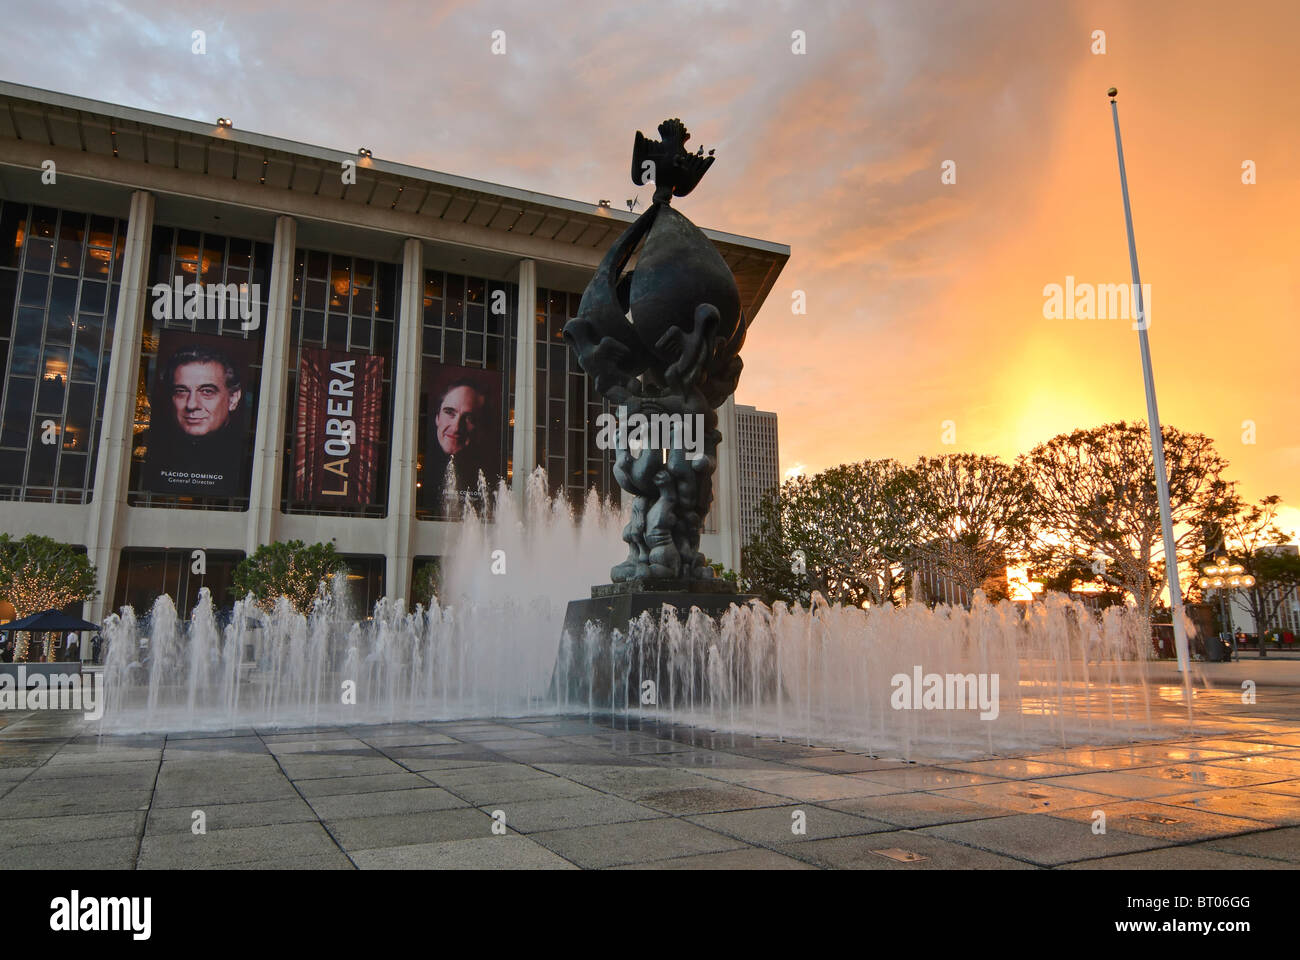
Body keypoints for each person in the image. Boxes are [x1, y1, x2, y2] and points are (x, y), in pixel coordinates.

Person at [144, 343, 246, 494]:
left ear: (233, 398)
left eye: (207, 391)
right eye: (181, 391)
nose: (191, 404)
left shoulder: (247, 458)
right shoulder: (154, 455)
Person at [424, 378, 497, 514]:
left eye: (469, 418)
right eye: (449, 412)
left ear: (481, 428)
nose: (457, 427)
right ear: (437, 417)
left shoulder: (485, 480)